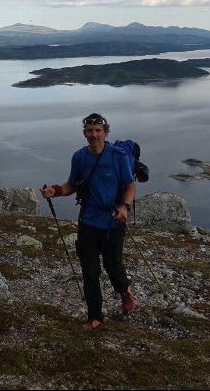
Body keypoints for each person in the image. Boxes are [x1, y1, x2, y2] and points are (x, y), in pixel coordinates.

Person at [41, 112, 137, 329]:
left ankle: (125, 290)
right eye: (90, 131)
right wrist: (53, 190)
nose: (94, 135)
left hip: (113, 221)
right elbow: (72, 184)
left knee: (113, 266)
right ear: (84, 133)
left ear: (105, 132)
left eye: (98, 131)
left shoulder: (118, 156)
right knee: (90, 271)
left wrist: (125, 207)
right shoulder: (79, 157)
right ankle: (95, 316)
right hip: (88, 221)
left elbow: (130, 186)